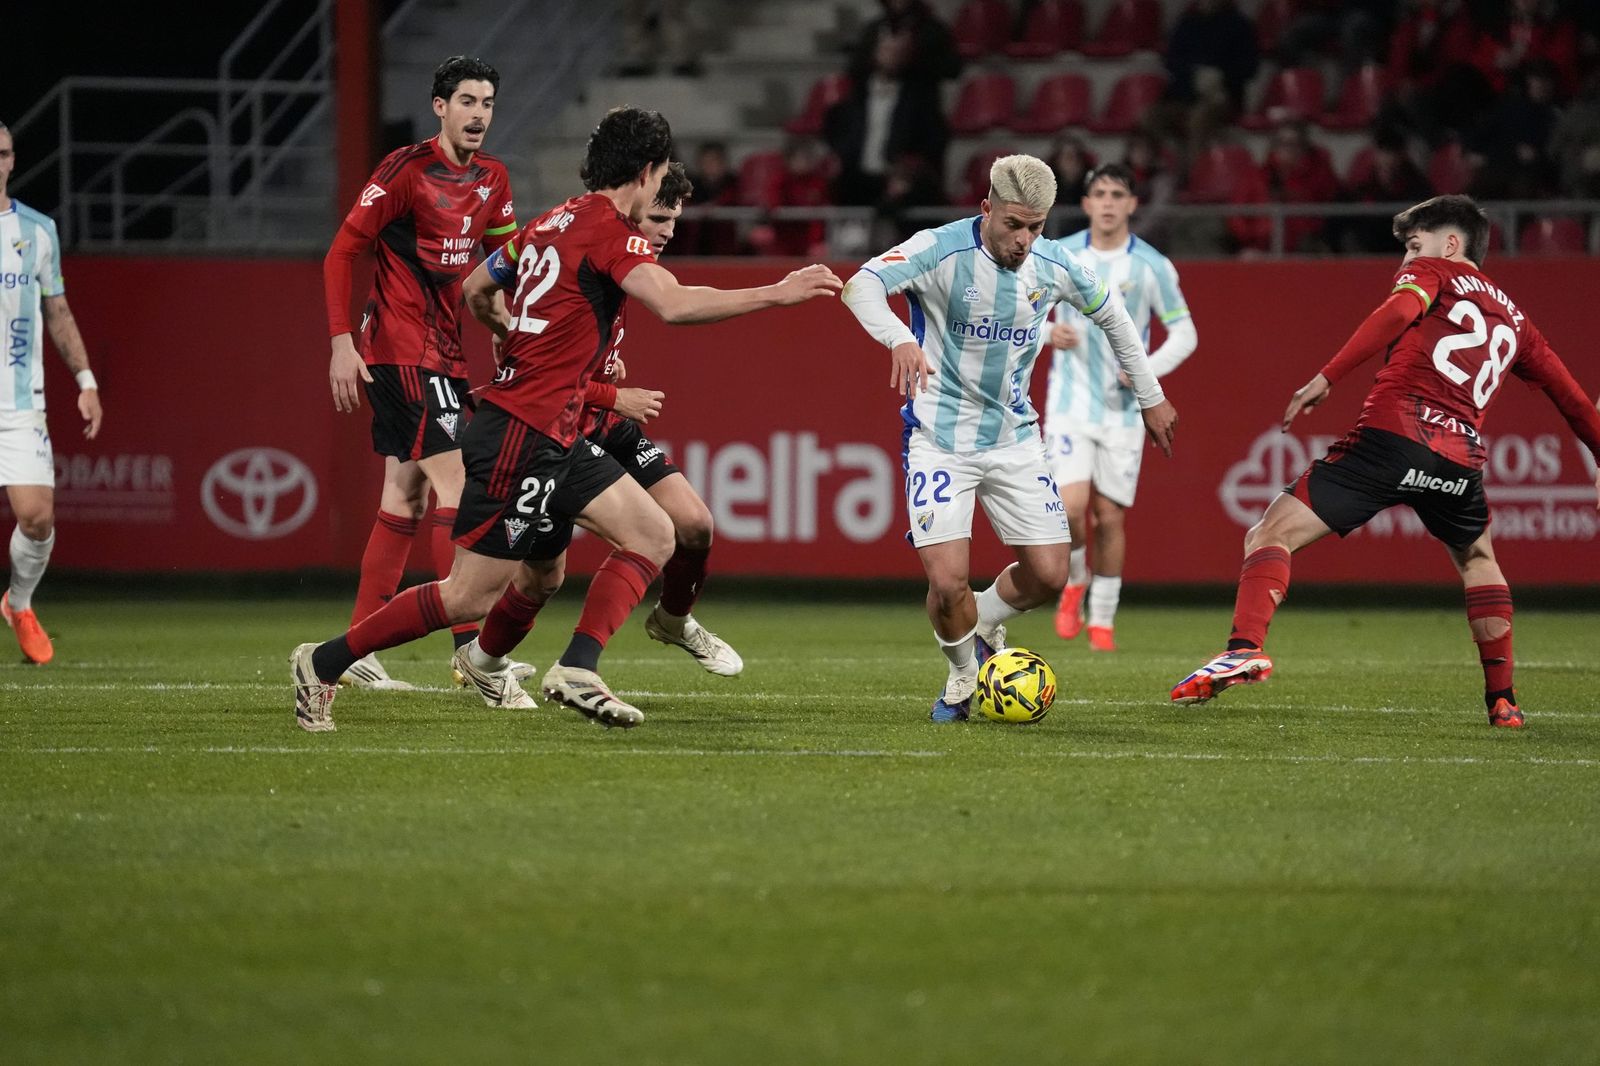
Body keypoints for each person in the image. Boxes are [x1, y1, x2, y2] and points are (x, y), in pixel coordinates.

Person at [292, 106, 842, 733]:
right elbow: (675, 304)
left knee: (655, 533)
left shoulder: (555, 218)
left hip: (557, 424)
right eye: (658, 175)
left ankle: (577, 667)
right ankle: (324, 662)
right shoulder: (610, 231)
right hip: (521, 434)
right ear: (644, 172)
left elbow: (476, 285)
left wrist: (508, 333)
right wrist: (779, 290)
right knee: (468, 595)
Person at [1170, 195, 1600, 728]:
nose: (1406, 262)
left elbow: (1397, 311)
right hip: (1460, 459)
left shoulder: (1434, 271)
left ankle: (1242, 647)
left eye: (1414, 247)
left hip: (1394, 435)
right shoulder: (1518, 320)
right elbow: (1575, 403)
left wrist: (1327, 375)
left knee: (1269, 532)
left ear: (1450, 244)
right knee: (1478, 560)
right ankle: (1503, 701)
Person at [840, 154, 1179, 723]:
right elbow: (862, 285)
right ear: (986, 208)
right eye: (1014, 225)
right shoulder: (939, 249)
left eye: (1037, 227)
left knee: (1049, 574)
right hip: (939, 437)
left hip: (1014, 437)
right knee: (947, 585)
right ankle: (961, 677)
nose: (1024, 240)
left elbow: (1115, 318)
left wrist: (1151, 396)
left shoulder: (1054, 263)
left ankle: (987, 620)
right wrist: (900, 338)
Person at [322, 56, 529, 691]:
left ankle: (357, 649)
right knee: (461, 489)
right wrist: (339, 344)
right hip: (398, 350)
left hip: (445, 353)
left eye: (488, 103)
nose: (479, 114)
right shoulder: (404, 171)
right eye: (467, 101)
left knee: (404, 495)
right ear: (439, 106)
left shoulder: (493, 178)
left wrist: (506, 329)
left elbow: (506, 262)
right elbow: (341, 251)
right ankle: (472, 650)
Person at [542, 161, 744, 677]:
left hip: (599, 421)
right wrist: (612, 394)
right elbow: (535, 374)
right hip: (553, 428)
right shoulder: (585, 241)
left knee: (694, 524)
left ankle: (673, 622)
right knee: (528, 581)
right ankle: (482, 658)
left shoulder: (623, 259)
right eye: (658, 217)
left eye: (674, 222)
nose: (667, 232)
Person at [1045, 164, 1196, 651]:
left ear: (1132, 204)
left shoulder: (1151, 266)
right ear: (1086, 204)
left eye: (1117, 194)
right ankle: (1073, 583)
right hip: (1069, 403)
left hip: (1124, 412)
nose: (1107, 202)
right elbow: (1018, 308)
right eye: (1099, 194)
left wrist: (1146, 370)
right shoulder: (1059, 255)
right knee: (1070, 511)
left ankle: (1103, 622)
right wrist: (1048, 332)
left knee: (1109, 516)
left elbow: (1185, 331)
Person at [0, 120, 104, 664]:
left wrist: (85, 381)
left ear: (13, 160)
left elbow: (57, 311)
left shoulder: (38, 231)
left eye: (2, 153)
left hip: (18, 405)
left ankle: (19, 603)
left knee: (37, 518)